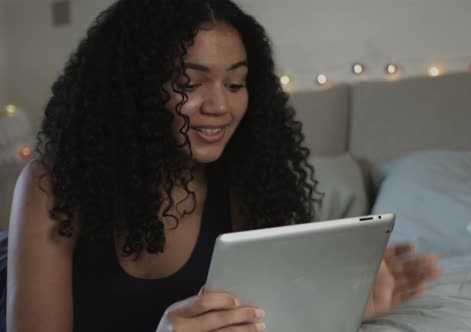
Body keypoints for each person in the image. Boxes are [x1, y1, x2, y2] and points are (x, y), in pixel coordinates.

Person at [6, 0, 441, 331]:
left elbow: (260, 316)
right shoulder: (54, 183)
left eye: (235, 83)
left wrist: (343, 305)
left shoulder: (245, 181)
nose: (219, 106)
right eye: (190, 84)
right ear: (133, 90)